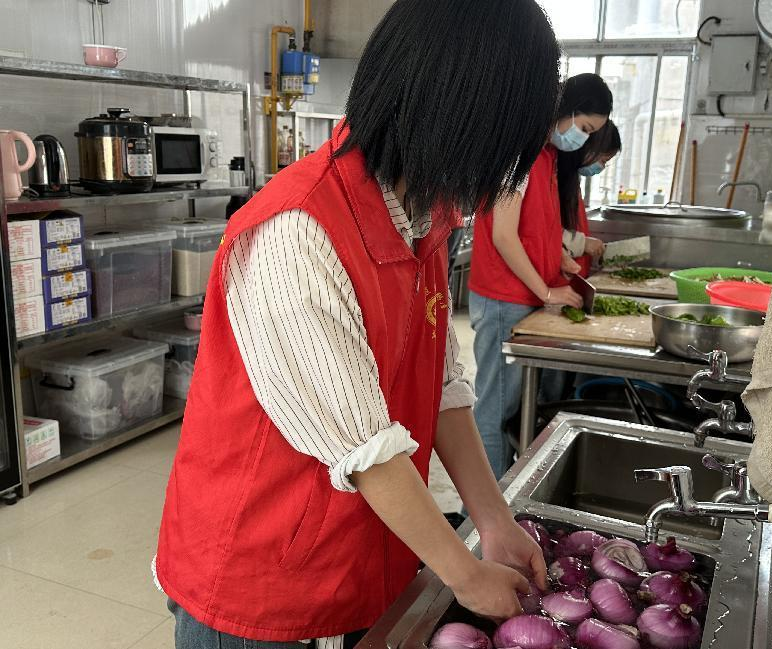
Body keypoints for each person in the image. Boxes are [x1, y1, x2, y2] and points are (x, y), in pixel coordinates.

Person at [153, 2, 562, 648]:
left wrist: (494, 520)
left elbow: (440, 387)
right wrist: (462, 574)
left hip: (349, 553)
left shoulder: (423, 216)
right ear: (455, 116)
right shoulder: (298, 230)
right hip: (258, 573)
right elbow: (364, 449)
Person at [468, 73, 614, 479]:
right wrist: (547, 292)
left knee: (510, 406)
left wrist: (559, 259)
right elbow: (503, 234)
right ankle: (482, 509)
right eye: (585, 128)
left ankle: (496, 498)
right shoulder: (518, 153)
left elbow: (538, 226)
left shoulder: (545, 155)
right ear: (567, 110)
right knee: (494, 409)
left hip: (521, 296)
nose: (583, 139)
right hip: (503, 298)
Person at [562, 120, 623, 274]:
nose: (602, 167)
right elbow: (540, 231)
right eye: (603, 161)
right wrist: (581, 243)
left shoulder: (572, 180)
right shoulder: (554, 175)